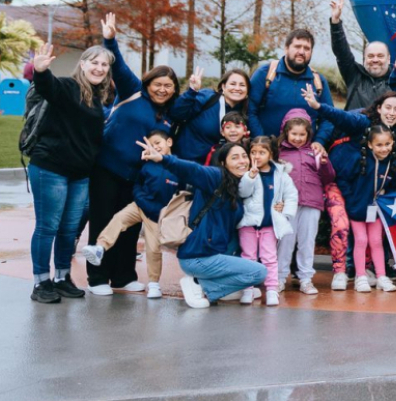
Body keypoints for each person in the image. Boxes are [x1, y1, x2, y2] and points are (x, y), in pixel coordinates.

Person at [89, 13, 178, 296]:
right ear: (148, 83)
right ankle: (97, 278)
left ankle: (123, 276)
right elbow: (118, 64)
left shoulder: (169, 115)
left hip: (138, 177)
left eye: (168, 86)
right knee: (103, 221)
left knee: (130, 226)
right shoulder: (133, 91)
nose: (162, 89)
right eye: (158, 84)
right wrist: (110, 39)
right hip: (107, 169)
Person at [26, 42, 114, 304]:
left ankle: (62, 277)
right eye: (94, 62)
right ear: (83, 64)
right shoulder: (67, 87)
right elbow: (47, 87)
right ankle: (41, 282)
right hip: (50, 168)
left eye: (104, 64)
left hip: (79, 174)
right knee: (47, 227)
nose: (99, 68)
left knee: (68, 229)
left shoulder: (97, 97)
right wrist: (40, 71)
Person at [138, 140, 267, 309]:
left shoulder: (239, 186)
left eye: (244, 156)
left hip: (211, 254)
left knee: (247, 279)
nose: (242, 161)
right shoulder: (216, 177)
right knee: (259, 272)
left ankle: (214, 289)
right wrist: (163, 158)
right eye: (235, 158)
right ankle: (199, 286)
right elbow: (193, 170)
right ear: (223, 163)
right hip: (198, 256)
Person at [305, 95, 396, 293]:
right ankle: (344, 271)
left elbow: (391, 182)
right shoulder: (363, 121)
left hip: (367, 196)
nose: (391, 113)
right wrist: (318, 106)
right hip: (342, 182)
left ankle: (373, 272)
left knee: (375, 239)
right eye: (388, 107)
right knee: (343, 225)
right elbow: (341, 117)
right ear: (379, 108)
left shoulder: (391, 155)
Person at [79, 130, 181, 300]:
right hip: (139, 206)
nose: (155, 147)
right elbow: (138, 184)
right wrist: (140, 199)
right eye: (151, 145)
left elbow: (181, 192)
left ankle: (154, 283)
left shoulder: (178, 167)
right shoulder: (147, 165)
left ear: (169, 142)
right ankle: (100, 247)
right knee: (118, 219)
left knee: (153, 248)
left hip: (157, 214)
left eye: (158, 143)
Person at [329, 0, 396, 111]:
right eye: (370, 56)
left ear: (388, 59)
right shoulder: (354, 75)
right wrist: (335, 22)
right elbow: (342, 52)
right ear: (364, 59)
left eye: (380, 56)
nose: (375, 60)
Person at [274, 107, 334, 295]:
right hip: (287, 205)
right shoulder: (278, 153)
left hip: (311, 202)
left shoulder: (315, 151)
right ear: (286, 132)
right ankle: (279, 278)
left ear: (308, 134)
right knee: (285, 242)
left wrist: (324, 164)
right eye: (294, 134)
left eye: (302, 134)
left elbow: (328, 178)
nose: (298, 138)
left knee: (307, 242)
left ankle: (306, 279)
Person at [236, 136, 298, 306]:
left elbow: (291, 195)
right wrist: (250, 176)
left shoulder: (280, 174)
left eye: (262, 152)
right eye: (253, 152)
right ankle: (247, 289)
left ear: (271, 154)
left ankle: (271, 289)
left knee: (269, 258)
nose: (256, 156)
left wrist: (285, 211)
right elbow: (242, 193)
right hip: (248, 223)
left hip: (270, 225)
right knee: (248, 257)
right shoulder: (247, 172)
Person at [247, 28, 335, 147]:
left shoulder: (318, 81)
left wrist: (319, 141)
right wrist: (261, 142)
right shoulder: (265, 74)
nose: (301, 52)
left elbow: (329, 117)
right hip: (268, 151)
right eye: (297, 46)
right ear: (286, 48)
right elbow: (250, 111)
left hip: (304, 153)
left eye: (307, 48)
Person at [168, 66, 250, 162]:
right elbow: (176, 113)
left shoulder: (246, 112)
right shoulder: (208, 97)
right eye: (233, 84)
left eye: (242, 85)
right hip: (186, 161)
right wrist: (192, 91)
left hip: (215, 166)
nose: (237, 88)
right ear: (223, 86)